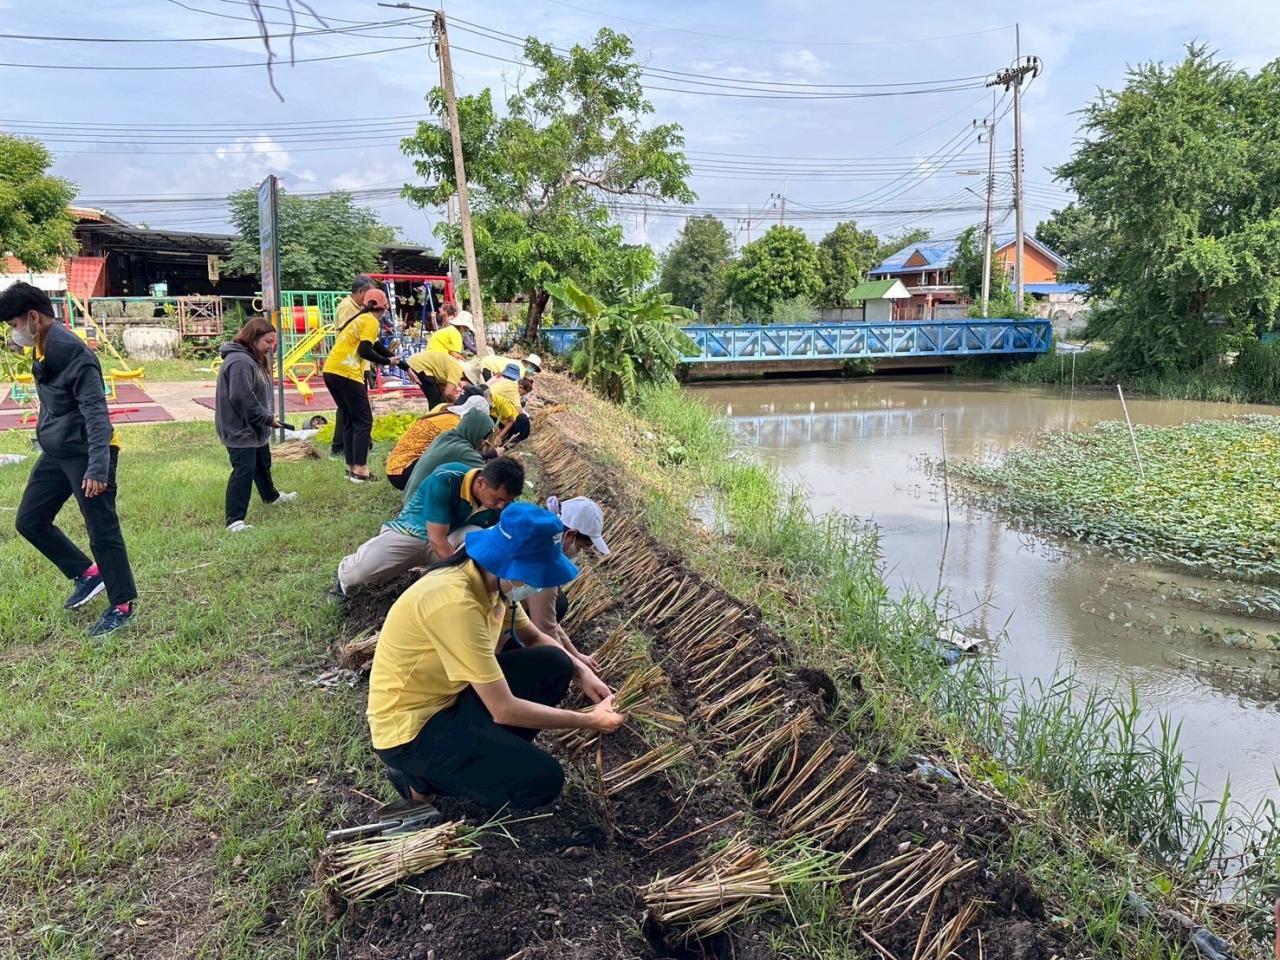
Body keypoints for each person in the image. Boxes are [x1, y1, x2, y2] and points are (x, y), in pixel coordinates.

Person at [367, 502, 626, 809]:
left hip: (451, 699)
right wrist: (588, 720)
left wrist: (582, 672)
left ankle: (488, 754)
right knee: (543, 782)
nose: (536, 585)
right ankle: (419, 778)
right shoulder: (456, 603)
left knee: (554, 663)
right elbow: (503, 709)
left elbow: (533, 636)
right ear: (513, 565)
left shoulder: (490, 584)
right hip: (412, 730)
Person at [2, 282, 137, 638]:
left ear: (33, 318)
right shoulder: (43, 344)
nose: (14, 333)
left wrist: (98, 467)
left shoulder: (73, 352)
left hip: (88, 451)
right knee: (30, 520)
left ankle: (122, 605)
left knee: (102, 529)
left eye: (14, 325)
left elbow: (96, 412)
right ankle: (88, 574)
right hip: (58, 451)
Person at [335, 456, 524, 598]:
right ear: (481, 482)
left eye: (506, 501)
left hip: (451, 539)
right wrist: (467, 580)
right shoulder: (447, 479)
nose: (501, 506)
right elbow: (436, 540)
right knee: (358, 574)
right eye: (497, 499)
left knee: (478, 536)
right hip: (413, 533)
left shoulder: (502, 504)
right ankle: (343, 577)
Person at [518, 496, 611, 696]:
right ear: (570, 535)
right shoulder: (545, 567)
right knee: (551, 667)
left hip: (501, 611)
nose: (579, 553)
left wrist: (575, 655)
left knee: (557, 602)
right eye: (582, 547)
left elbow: (547, 619)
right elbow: (544, 633)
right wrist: (578, 673)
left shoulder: (537, 535)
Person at [214, 317, 298, 532]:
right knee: (244, 470)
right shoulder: (240, 362)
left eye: (273, 342)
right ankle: (234, 520)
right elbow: (242, 397)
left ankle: (271, 497)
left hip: (254, 426)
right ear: (253, 338)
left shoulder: (254, 357)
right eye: (268, 342)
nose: (271, 347)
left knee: (262, 462)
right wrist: (267, 417)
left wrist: (265, 418)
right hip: (240, 427)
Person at [321, 288, 399, 483]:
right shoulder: (371, 321)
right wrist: (387, 362)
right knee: (364, 420)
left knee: (348, 418)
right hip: (347, 373)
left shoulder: (359, 319)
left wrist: (393, 357)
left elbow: (374, 344)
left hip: (330, 370)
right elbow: (365, 350)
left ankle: (350, 467)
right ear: (384, 307)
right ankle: (361, 470)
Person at [388, 397, 491, 492]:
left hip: (394, 467)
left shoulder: (445, 412)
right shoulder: (455, 425)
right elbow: (461, 455)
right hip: (403, 472)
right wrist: (490, 454)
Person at [330, 276, 375, 459]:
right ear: (361, 292)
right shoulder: (348, 308)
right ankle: (342, 447)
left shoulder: (358, 309)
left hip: (353, 364)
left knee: (352, 409)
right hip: (347, 366)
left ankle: (351, 447)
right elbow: (354, 339)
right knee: (356, 412)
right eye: (370, 295)